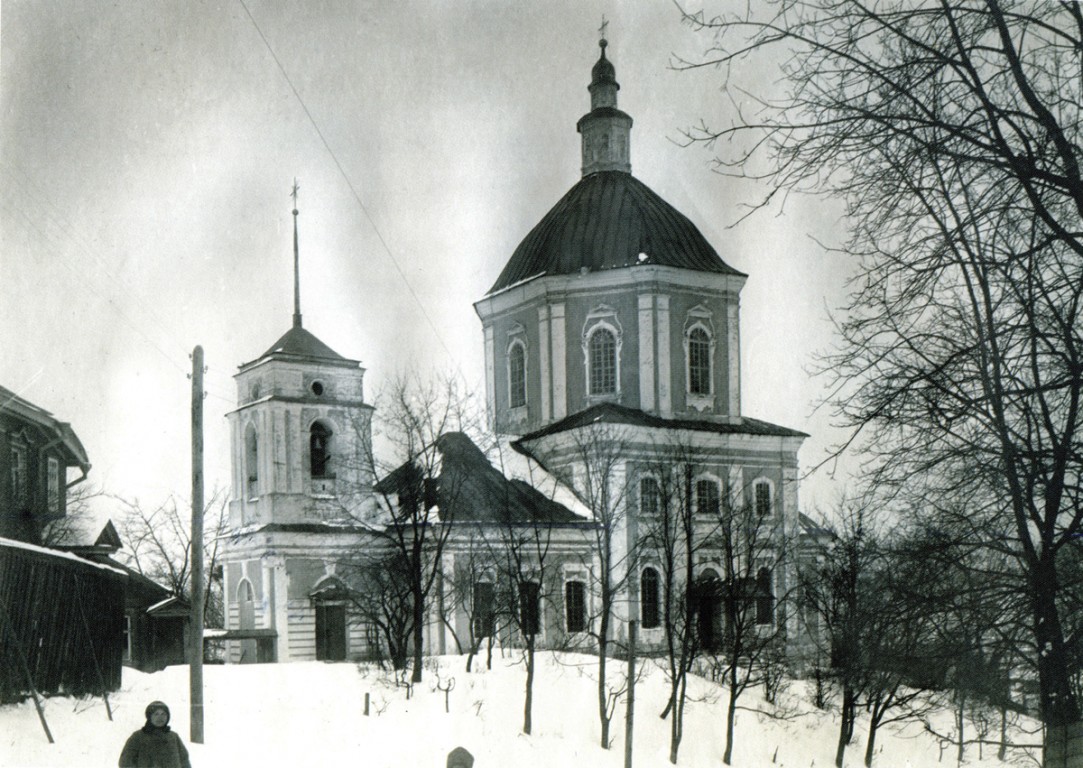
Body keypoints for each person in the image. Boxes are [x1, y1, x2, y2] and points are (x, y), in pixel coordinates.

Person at [118, 700, 191, 768]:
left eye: (163, 714)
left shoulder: (173, 737)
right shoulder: (138, 737)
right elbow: (125, 762)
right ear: (149, 716)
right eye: (156, 714)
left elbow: (184, 761)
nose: (160, 717)